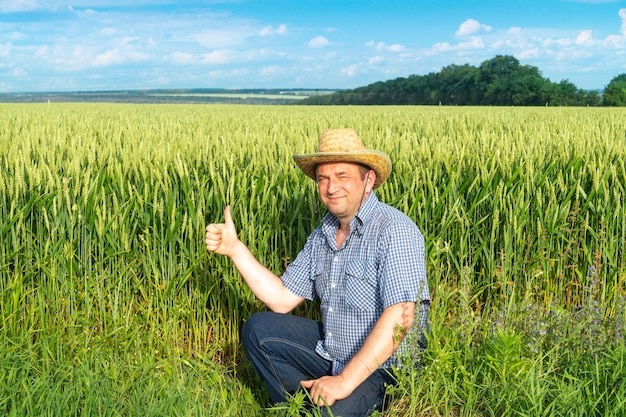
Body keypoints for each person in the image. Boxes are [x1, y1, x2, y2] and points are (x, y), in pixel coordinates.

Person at [205, 128, 430, 417]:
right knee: (260, 329)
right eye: (323, 178)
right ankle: (295, 408)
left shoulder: (394, 230)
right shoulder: (322, 235)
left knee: (327, 414)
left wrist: (345, 382)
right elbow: (282, 299)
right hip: (333, 353)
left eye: (342, 176)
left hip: (383, 372)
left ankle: (323, 405)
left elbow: (402, 315)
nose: (331, 187)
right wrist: (236, 250)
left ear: (368, 179)